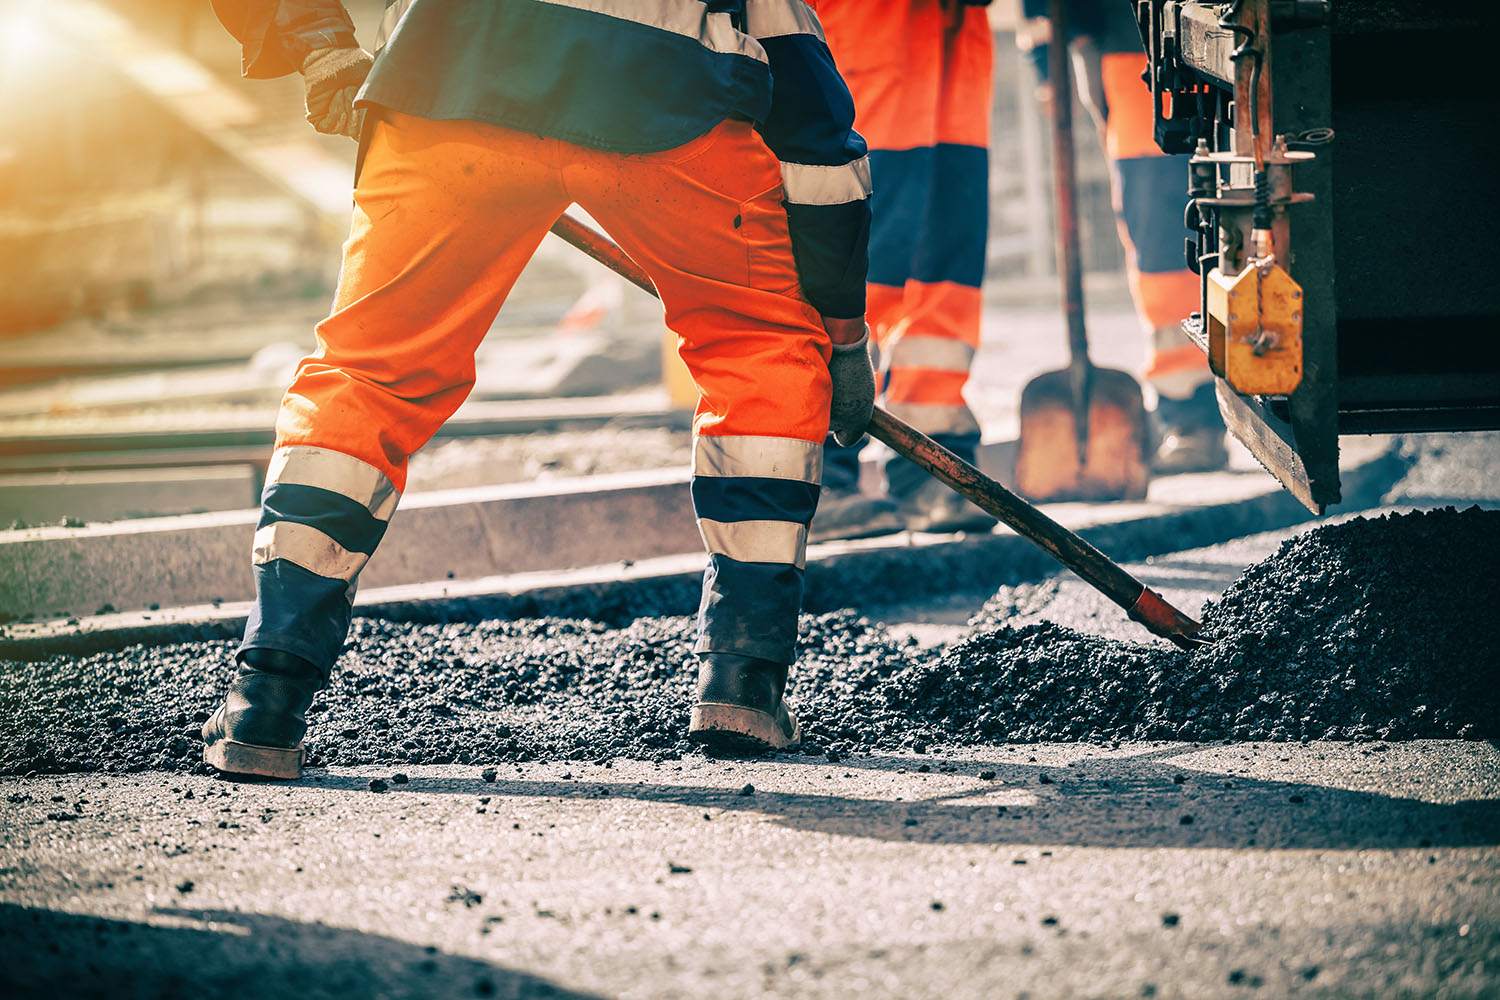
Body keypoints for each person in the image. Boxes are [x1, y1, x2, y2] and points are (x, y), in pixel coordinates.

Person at [201, 0, 875, 778]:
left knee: (371, 370)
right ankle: (743, 681)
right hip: (664, 91)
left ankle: (268, 692)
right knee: (761, 351)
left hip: (454, 72)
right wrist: (840, 324)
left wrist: (315, 45)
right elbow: (811, 116)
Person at [809, 0, 1001, 541]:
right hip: (864, 20)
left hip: (953, 21)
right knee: (859, 232)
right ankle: (813, 476)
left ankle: (930, 462)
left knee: (946, 250)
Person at [1019, 0, 1228, 472]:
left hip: (1242, 36)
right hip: (1135, 45)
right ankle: (1190, 411)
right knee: (1162, 240)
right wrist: (1051, 57)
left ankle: (1254, 400)